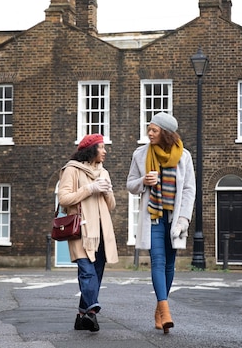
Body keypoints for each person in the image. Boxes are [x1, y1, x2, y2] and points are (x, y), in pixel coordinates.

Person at [126, 112, 196, 333]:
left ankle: (158, 308)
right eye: (149, 129)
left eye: (154, 130)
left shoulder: (184, 156)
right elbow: (130, 185)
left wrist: (184, 219)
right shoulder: (140, 154)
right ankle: (165, 311)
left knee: (169, 264)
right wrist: (143, 181)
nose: (149, 133)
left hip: (174, 218)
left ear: (165, 133)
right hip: (153, 215)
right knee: (157, 260)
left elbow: (188, 190)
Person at [58, 133, 118, 332]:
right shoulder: (72, 170)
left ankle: (82, 314)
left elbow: (111, 205)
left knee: (97, 272)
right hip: (81, 230)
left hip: (101, 231)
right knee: (87, 271)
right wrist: (90, 188)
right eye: (101, 147)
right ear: (91, 150)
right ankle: (92, 310)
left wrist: (107, 191)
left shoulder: (104, 172)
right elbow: (64, 199)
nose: (105, 151)